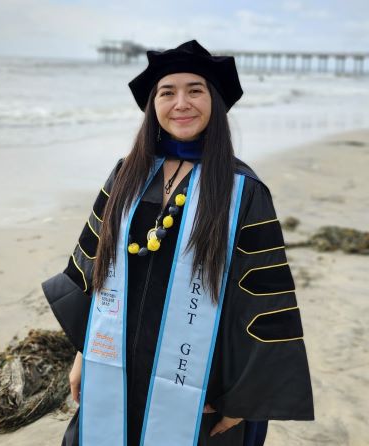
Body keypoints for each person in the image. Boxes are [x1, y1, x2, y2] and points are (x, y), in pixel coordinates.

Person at [42, 40, 314, 446]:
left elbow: (264, 297)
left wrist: (243, 398)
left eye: (195, 90)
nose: (181, 103)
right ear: (153, 106)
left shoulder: (242, 190)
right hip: (117, 367)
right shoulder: (126, 175)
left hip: (198, 379)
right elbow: (93, 269)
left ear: (214, 103)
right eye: (167, 93)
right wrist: (85, 352)